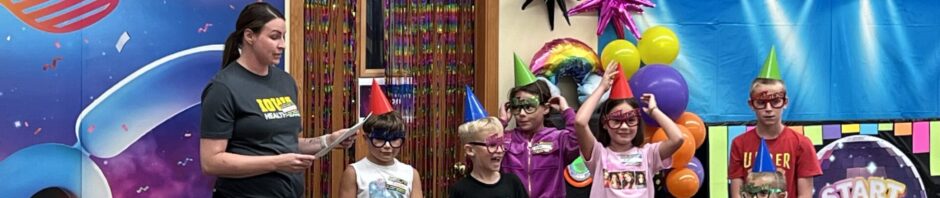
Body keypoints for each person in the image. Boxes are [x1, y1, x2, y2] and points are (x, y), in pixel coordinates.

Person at [200, 2, 354, 197]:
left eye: (283, 37)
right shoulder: (223, 88)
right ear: (249, 36)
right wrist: (276, 162)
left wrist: (328, 141)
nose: (282, 44)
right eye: (274, 37)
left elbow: (287, 144)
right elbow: (211, 162)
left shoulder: (285, 81)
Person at [573, 62, 685, 197]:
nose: (624, 127)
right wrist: (602, 88)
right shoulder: (598, 155)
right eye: (616, 120)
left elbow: (677, 138)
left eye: (631, 120)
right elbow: (580, 122)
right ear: (605, 123)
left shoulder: (648, 155)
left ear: (638, 123)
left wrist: (654, 111)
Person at [729, 47, 822, 198]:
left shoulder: (802, 144)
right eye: (761, 102)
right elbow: (737, 193)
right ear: (751, 104)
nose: (768, 109)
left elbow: (805, 195)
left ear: (785, 103)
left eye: (775, 101)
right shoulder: (739, 144)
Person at [497, 53, 580, 197]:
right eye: (517, 107)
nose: (522, 113)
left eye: (529, 107)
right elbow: (482, 155)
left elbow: (578, 141)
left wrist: (567, 111)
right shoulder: (505, 139)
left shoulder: (558, 138)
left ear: (546, 108)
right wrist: (500, 123)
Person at [339, 80, 423, 198]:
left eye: (394, 139)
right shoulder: (354, 172)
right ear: (366, 138)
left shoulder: (410, 174)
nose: (387, 146)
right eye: (380, 139)